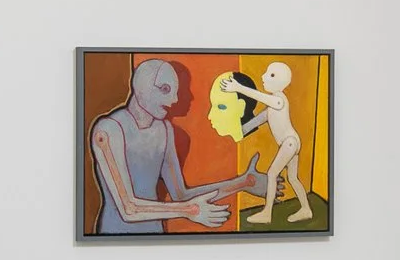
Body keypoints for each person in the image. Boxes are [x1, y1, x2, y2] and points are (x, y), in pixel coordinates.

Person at [89, 60, 232, 234]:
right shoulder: (108, 130)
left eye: (175, 92)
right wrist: (189, 210)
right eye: (165, 89)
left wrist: (244, 182)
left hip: (155, 233)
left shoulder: (164, 130)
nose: (175, 99)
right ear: (142, 86)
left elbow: (181, 195)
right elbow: (128, 209)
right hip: (115, 236)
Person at [223, 61, 311, 226]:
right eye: (266, 73)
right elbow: (257, 121)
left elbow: (262, 97)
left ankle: (267, 213)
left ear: (283, 82)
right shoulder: (272, 106)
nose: (264, 77)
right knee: (293, 178)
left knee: (272, 174)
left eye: (271, 75)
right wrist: (236, 131)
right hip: (291, 142)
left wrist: (239, 88)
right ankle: (306, 209)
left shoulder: (279, 100)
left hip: (289, 143)